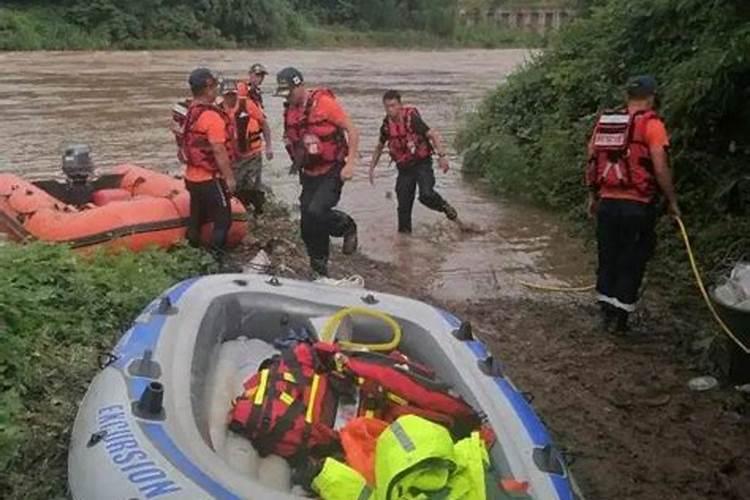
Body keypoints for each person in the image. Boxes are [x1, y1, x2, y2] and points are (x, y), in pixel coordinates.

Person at [586, 75, 680, 332]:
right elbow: (660, 167)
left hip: (607, 203)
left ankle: (605, 314)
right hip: (637, 205)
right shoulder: (653, 125)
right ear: (651, 97)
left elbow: (592, 158)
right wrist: (672, 201)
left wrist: (593, 197)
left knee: (608, 257)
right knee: (632, 259)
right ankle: (620, 320)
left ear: (627, 97)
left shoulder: (606, 123)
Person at [275, 67, 359, 277]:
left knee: (317, 211)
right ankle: (319, 267)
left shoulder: (324, 104)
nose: (289, 98)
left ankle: (347, 226)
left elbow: (352, 129)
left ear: (300, 86)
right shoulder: (290, 111)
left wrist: (350, 164)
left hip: (332, 169)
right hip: (310, 172)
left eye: (290, 92)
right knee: (307, 224)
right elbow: (291, 140)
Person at [368, 90, 457, 234]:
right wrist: (371, 168)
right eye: (387, 107)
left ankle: (445, 207)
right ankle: (405, 247)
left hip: (422, 163)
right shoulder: (386, 125)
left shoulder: (412, 119)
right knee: (403, 206)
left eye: (393, 106)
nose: (391, 110)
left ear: (400, 105)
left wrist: (442, 156)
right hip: (404, 169)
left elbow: (433, 134)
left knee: (426, 195)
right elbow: (379, 146)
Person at [181, 68, 237, 257]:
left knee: (196, 219)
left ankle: (192, 256)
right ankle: (216, 260)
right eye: (214, 86)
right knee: (223, 221)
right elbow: (219, 150)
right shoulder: (211, 116)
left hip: (191, 178)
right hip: (210, 179)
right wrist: (229, 179)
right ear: (207, 88)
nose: (216, 91)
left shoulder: (190, 112)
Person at [219, 79, 273, 215]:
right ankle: (240, 212)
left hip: (252, 155)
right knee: (235, 188)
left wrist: (269, 147)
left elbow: (264, 123)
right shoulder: (217, 109)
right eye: (227, 95)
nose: (230, 98)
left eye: (233, 94)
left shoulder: (247, 104)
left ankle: (259, 212)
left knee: (252, 187)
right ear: (222, 95)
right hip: (233, 158)